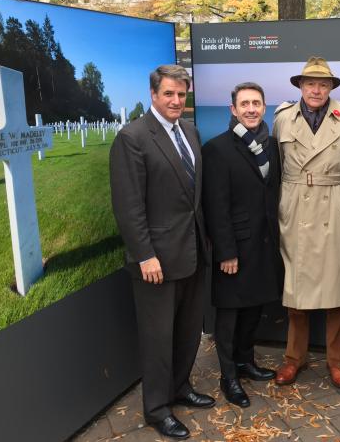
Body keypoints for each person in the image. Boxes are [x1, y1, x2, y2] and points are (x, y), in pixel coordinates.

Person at [109, 65, 213, 440]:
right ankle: (156, 409)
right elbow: (128, 206)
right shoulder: (132, 137)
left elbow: (193, 197)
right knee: (158, 338)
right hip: (156, 260)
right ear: (153, 94)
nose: (175, 101)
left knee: (188, 331)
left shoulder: (190, 131)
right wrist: (144, 255)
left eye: (181, 94)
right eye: (168, 94)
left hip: (193, 251)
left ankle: (180, 388)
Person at [272, 56, 340, 389]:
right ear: (300, 86)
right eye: (310, 83)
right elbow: (278, 165)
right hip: (296, 207)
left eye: (323, 84)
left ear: (331, 87)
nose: (316, 89)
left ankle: (336, 361)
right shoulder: (283, 119)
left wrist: (334, 192)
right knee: (296, 291)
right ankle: (293, 359)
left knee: (337, 291)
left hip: (334, 207)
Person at [202, 82, 284, 408]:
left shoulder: (273, 146)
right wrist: (226, 252)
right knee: (229, 316)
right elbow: (215, 206)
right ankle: (228, 377)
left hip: (265, 245)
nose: (251, 109)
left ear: (265, 108)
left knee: (254, 308)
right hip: (235, 249)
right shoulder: (218, 149)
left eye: (257, 103)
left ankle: (245, 362)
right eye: (244, 104)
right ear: (233, 110)